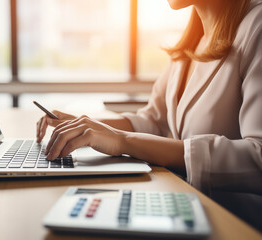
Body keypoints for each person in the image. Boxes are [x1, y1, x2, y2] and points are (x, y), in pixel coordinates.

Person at [36, 0, 262, 231]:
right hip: (191, 207)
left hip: (238, 225)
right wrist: (84, 126)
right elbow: (154, 121)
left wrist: (122, 140)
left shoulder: (257, 26)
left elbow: (258, 158)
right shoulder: (195, 37)